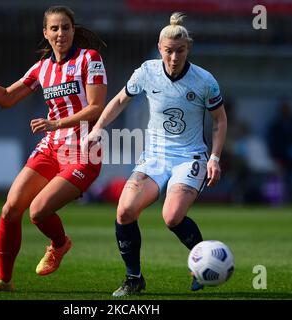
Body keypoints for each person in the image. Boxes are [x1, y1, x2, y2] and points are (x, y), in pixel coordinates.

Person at [0, 5, 107, 293]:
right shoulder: (41, 68)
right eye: (55, 28)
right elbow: (5, 98)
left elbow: (97, 108)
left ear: (73, 31)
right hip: (51, 147)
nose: (61, 33)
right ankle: (3, 281)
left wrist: (57, 122)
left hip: (84, 151)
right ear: (46, 33)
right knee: (11, 209)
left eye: (66, 28)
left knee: (37, 212)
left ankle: (60, 244)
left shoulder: (90, 59)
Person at [84, 12, 227, 296]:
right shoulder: (146, 72)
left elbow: (220, 120)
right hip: (155, 157)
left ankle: (201, 263)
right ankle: (134, 279)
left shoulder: (204, 81)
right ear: (160, 48)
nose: (174, 57)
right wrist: (98, 127)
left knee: (172, 216)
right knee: (124, 211)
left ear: (188, 48)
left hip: (190, 158)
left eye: (181, 51)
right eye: (169, 51)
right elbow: (120, 100)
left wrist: (214, 158)